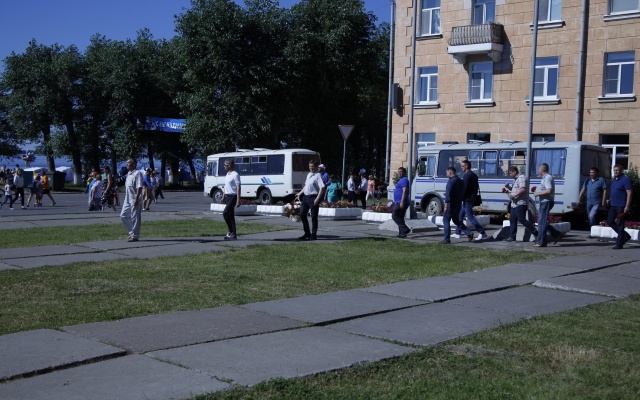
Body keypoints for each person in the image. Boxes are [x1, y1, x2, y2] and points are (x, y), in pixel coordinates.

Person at [453, 160, 487, 241]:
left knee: (470, 217)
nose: (461, 168)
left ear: (466, 166)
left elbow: (464, 188)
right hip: (471, 198)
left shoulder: (467, 176)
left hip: (467, 199)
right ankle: (457, 232)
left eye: (462, 166)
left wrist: (459, 197)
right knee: (460, 216)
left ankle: (482, 232)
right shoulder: (474, 175)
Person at [504, 166, 538, 242]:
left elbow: (523, 189)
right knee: (512, 219)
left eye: (510, 173)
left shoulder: (521, 178)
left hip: (520, 203)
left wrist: (514, 195)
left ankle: (536, 232)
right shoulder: (515, 180)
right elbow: (515, 189)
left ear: (514, 171)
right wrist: (508, 187)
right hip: (514, 203)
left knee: (522, 220)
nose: (510, 175)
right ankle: (512, 236)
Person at [533, 163, 563, 247]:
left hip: (546, 202)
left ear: (543, 169)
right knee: (541, 221)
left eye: (539, 169)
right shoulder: (544, 178)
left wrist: (538, 193)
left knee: (541, 222)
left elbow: (549, 190)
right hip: (544, 202)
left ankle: (541, 242)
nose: (538, 170)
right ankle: (556, 234)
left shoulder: (547, 178)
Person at [295, 160, 326, 241]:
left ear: (316, 167)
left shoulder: (318, 175)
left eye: (313, 166)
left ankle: (313, 235)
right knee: (302, 214)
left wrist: (317, 198)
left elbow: (322, 187)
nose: (311, 168)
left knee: (314, 217)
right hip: (305, 197)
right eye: (310, 166)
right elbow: (306, 186)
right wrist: (300, 193)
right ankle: (307, 233)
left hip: (313, 197)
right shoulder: (309, 174)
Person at [441, 166, 473, 244]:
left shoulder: (450, 181)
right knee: (456, 220)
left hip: (450, 204)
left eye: (447, 173)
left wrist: (445, 205)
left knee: (446, 220)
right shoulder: (461, 181)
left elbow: (448, 195)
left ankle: (446, 239)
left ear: (450, 173)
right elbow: (461, 192)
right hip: (458, 204)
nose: (446, 174)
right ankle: (468, 233)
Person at [606, 164, 633, 250]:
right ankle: (625, 236)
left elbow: (629, 193)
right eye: (614, 170)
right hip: (613, 205)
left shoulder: (626, 179)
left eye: (617, 170)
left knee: (620, 223)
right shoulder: (614, 179)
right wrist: (609, 199)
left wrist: (627, 206)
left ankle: (619, 244)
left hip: (621, 206)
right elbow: (614, 191)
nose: (616, 172)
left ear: (621, 170)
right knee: (610, 221)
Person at [577, 167, 607, 237]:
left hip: (596, 202)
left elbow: (605, 191)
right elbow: (583, 189)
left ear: (597, 173)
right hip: (589, 202)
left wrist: (603, 201)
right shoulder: (588, 180)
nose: (591, 174)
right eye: (590, 172)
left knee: (591, 216)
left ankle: (593, 232)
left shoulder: (601, 180)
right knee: (590, 218)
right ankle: (593, 232)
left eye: (593, 172)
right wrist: (579, 199)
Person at [120, 159, 144, 242]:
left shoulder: (137, 173)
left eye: (129, 162)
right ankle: (132, 232)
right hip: (127, 198)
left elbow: (139, 187)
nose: (127, 164)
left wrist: (136, 199)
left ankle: (135, 236)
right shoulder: (128, 174)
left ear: (134, 164)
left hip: (134, 198)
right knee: (123, 215)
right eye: (126, 162)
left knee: (135, 217)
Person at [222, 159, 241, 240]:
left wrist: (238, 200)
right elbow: (226, 186)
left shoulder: (235, 175)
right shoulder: (227, 174)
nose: (224, 166)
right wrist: (223, 196)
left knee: (225, 213)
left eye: (225, 165)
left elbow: (238, 187)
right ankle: (233, 234)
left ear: (229, 166)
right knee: (230, 215)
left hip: (233, 196)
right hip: (228, 196)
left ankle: (231, 231)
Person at [392, 167, 411, 238]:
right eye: (398, 171)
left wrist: (402, 202)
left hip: (401, 202)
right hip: (399, 201)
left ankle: (405, 229)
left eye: (401, 171)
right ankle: (402, 234)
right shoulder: (401, 180)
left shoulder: (404, 180)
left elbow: (405, 191)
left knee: (394, 216)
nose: (399, 173)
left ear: (404, 173)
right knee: (400, 217)